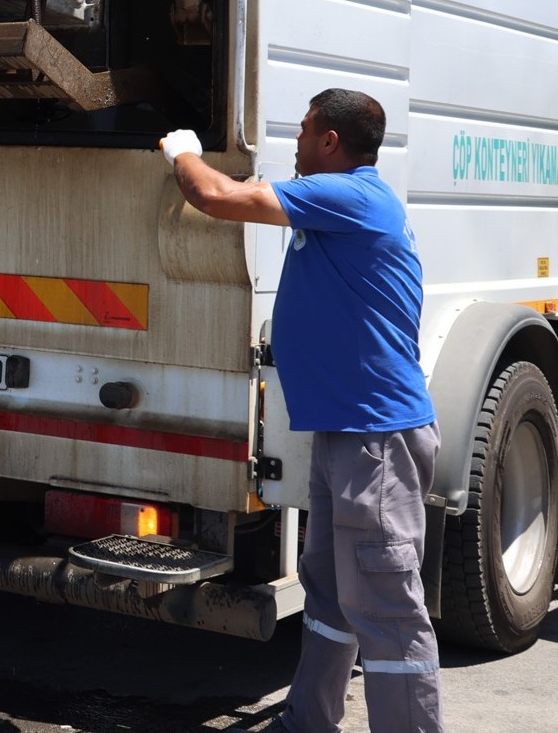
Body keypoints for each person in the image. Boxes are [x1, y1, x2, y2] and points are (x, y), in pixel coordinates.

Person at [160, 88, 441, 733]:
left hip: (377, 439)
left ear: (331, 142)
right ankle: (308, 721)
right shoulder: (342, 201)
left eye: (305, 129)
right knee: (331, 591)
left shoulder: (350, 195)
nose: (295, 140)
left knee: (388, 608)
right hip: (348, 431)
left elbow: (217, 197)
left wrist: (183, 154)